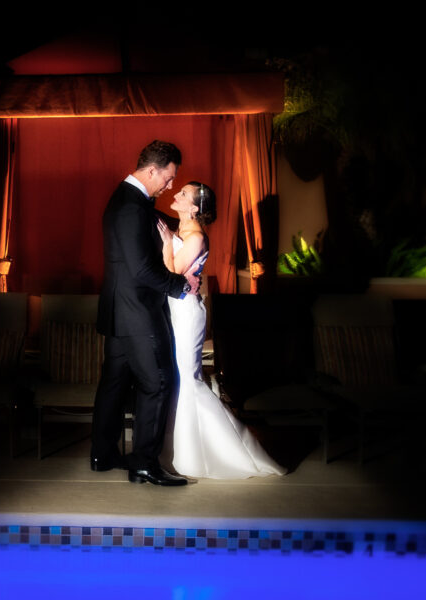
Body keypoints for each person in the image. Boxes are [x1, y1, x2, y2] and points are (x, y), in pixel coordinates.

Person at [159, 182, 286, 479]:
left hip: (187, 312)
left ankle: (230, 452)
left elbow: (173, 273)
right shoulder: (182, 231)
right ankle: (184, 452)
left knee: (189, 380)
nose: (175, 195)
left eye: (183, 195)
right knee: (181, 380)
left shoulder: (196, 237)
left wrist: (166, 243)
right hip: (175, 310)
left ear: (194, 208)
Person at [92, 141, 190, 486]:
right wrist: (181, 285)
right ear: (153, 170)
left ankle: (103, 454)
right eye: (169, 177)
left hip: (120, 309)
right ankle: (144, 463)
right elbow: (142, 271)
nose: (171, 185)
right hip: (136, 310)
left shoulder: (129, 200)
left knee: (115, 382)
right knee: (158, 383)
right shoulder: (132, 207)